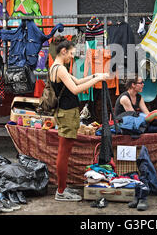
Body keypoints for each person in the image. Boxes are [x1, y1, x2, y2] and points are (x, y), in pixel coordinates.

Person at [49, 36, 109, 201]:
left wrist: (95, 75)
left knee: (64, 152)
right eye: (71, 54)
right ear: (63, 51)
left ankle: (63, 189)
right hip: (67, 114)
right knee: (64, 153)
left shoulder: (58, 67)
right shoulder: (59, 68)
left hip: (66, 113)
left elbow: (77, 80)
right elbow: (75, 89)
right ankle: (61, 191)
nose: (72, 57)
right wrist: (96, 80)